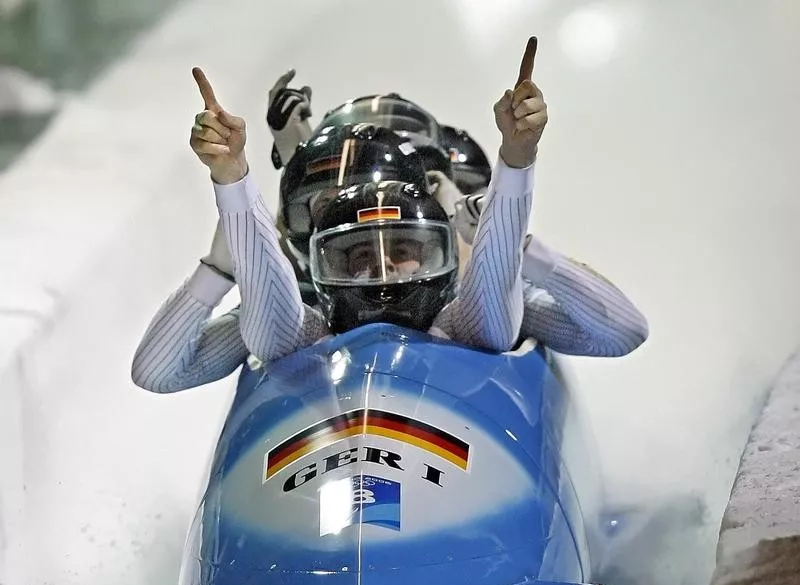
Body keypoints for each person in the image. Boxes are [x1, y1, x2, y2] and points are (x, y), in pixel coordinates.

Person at [132, 47, 544, 392]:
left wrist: (517, 163)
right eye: (358, 250)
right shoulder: (296, 323)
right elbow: (158, 371)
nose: (381, 269)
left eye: (400, 246)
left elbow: (503, 276)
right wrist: (226, 235)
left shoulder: (471, 311)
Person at [266, 71, 649, 359]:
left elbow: (621, 332)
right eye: (323, 201)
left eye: (400, 246)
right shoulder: (298, 307)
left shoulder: (475, 303)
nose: (382, 265)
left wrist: (511, 241)